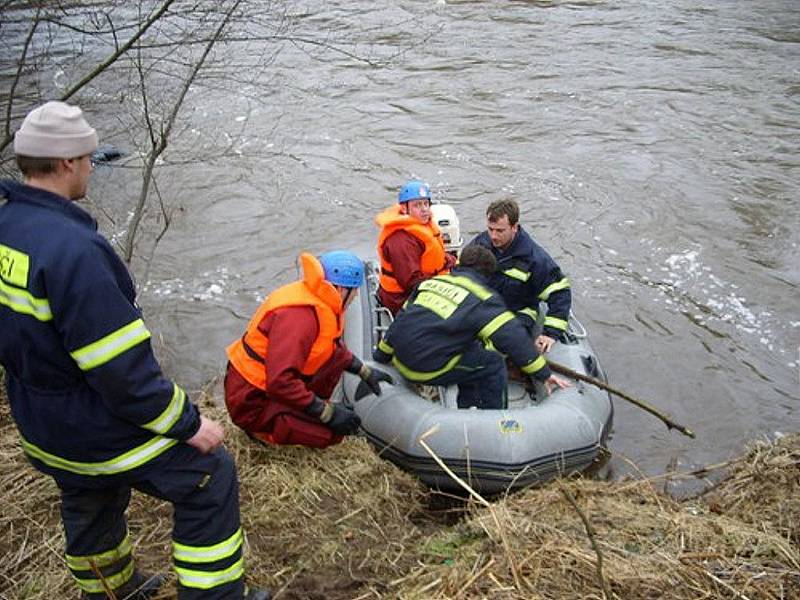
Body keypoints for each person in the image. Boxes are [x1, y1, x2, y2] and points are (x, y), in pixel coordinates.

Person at [0, 101, 269, 599]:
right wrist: (189, 424)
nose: (90, 168)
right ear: (65, 164)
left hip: (41, 425)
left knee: (87, 496)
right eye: (87, 159)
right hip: (90, 427)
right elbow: (122, 372)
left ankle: (109, 590)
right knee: (208, 475)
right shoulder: (75, 252)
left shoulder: (8, 227)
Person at [225, 251, 393, 448]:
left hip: (265, 386)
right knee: (330, 434)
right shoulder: (300, 318)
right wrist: (326, 413)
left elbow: (331, 349)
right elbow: (279, 381)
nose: (356, 296)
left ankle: (290, 415)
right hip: (251, 399)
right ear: (339, 289)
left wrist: (364, 371)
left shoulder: (319, 301)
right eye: (354, 290)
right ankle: (263, 431)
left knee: (332, 366)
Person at [372, 245, 569, 410]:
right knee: (493, 363)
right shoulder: (483, 299)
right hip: (426, 368)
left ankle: (466, 406)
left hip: (401, 359)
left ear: (459, 264)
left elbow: (399, 323)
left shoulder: (431, 283)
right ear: (488, 275)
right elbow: (514, 339)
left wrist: (381, 357)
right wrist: (544, 374)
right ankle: (495, 419)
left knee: (473, 352)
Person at [466, 198, 572, 354]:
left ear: (514, 227)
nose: (493, 236)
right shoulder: (481, 244)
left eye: (500, 231)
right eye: (490, 229)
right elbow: (462, 273)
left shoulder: (534, 259)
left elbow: (559, 292)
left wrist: (550, 334)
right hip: (484, 307)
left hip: (516, 311)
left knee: (497, 344)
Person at [375, 179, 456, 314]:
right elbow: (411, 283)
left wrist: (449, 261)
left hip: (427, 282)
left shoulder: (421, 226)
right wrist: (444, 288)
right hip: (401, 299)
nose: (424, 209)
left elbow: (429, 257)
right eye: (417, 205)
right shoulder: (401, 240)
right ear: (404, 208)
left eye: (426, 204)